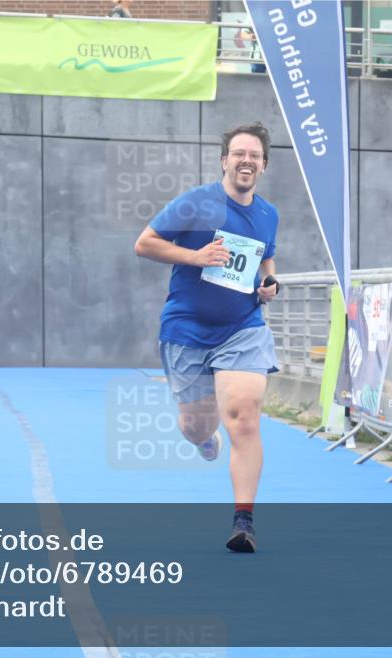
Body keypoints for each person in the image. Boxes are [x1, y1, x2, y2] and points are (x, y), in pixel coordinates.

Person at [134, 122, 280, 553]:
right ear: (224, 161)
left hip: (242, 328)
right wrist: (195, 256)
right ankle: (202, 439)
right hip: (187, 331)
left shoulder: (268, 214)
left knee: (245, 416)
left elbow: (266, 259)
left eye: (254, 155)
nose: (246, 161)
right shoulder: (196, 202)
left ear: (264, 165)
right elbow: (145, 243)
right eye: (239, 154)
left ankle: (244, 521)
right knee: (196, 426)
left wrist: (269, 284)